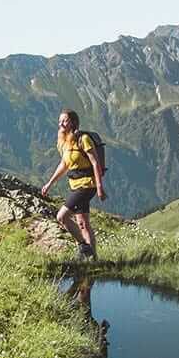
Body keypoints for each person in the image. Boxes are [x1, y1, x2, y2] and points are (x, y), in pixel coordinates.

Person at [42, 109, 105, 259]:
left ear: (73, 122)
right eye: (60, 121)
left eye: (65, 121)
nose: (61, 124)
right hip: (75, 185)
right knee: (82, 223)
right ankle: (93, 259)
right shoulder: (63, 142)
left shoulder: (83, 139)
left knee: (62, 216)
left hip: (87, 185)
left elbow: (95, 163)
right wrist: (49, 183)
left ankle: (84, 247)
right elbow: (64, 165)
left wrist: (100, 187)